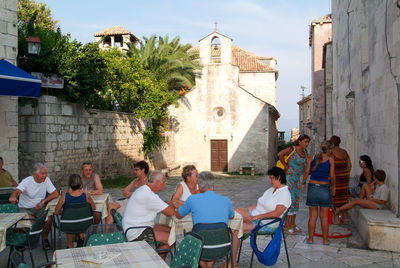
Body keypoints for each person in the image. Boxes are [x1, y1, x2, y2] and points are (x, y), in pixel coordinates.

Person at [177, 171, 236, 268]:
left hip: (200, 247)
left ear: (199, 186)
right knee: (210, 241)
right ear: (214, 185)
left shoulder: (192, 199)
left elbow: (178, 215)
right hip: (222, 246)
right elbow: (232, 216)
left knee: (194, 237)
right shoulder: (226, 200)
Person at [8, 163, 59, 250]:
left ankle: (45, 239)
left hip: (39, 207)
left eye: (45, 173)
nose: (45, 176)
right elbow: (17, 191)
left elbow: (55, 194)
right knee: (30, 221)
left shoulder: (46, 180)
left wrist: (43, 201)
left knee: (49, 219)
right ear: (35, 175)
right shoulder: (27, 181)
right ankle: (23, 239)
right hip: (25, 207)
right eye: (42, 174)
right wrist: (13, 196)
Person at [122, 170, 174, 250]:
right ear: (158, 182)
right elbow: (171, 212)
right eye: (164, 181)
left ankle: (159, 256)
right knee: (171, 239)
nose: (165, 184)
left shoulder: (143, 189)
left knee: (171, 231)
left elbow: (159, 205)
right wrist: (171, 204)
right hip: (136, 233)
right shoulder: (149, 196)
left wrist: (167, 204)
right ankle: (158, 260)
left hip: (135, 227)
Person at [236, 166, 291, 233]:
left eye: (271, 178)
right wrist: (246, 210)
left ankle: (231, 240)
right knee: (232, 212)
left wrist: (255, 217)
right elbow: (261, 203)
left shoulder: (284, 194)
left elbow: (277, 213)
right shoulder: (271, 189)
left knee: (235, 228)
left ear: (279, 177)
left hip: (266, 223)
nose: (270, 181)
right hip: (256, 215)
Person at [302, 140, 336, 245]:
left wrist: (303, 182)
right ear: (330, 150)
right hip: (324, 187)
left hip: (312, 187)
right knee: (324, 216)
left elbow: (307, 171)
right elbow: (333, 176)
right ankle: (325, 240)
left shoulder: (312, 157)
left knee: (312, 216)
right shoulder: (330, 160)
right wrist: (333, 187)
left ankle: (310, 239)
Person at [277, 133, 310, 234]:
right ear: (299, 141)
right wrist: (285, 165)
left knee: (296, 201)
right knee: (289, 201)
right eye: (305, 142)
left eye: (308, 142)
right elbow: (280, 154)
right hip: (289, 178)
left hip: (297, 179)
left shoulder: (305, 152)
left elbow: (307, 164)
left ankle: (293, 224)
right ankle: (286, 225)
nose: (307, 144)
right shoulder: (292, 149)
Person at [55, 174, 95, 248]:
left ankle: (70, 245)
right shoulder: (86, 196)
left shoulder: (64, 196)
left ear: (70, 185)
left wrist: (65, 214)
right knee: (80, 218)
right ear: (81, 184)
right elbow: (93, 208)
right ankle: (81, 237)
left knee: (71, 222)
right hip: (83, 223)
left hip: (69, 223)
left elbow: (56, 211)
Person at [330, 136, 352, 224]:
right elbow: (349, 166)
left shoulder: (331, 153)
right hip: (345, 177)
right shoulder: (344, 152)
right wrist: (345, 173)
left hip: (335, 178)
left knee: (335, 198)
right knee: (344, 196)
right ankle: (345, 217)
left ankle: (336, 218)